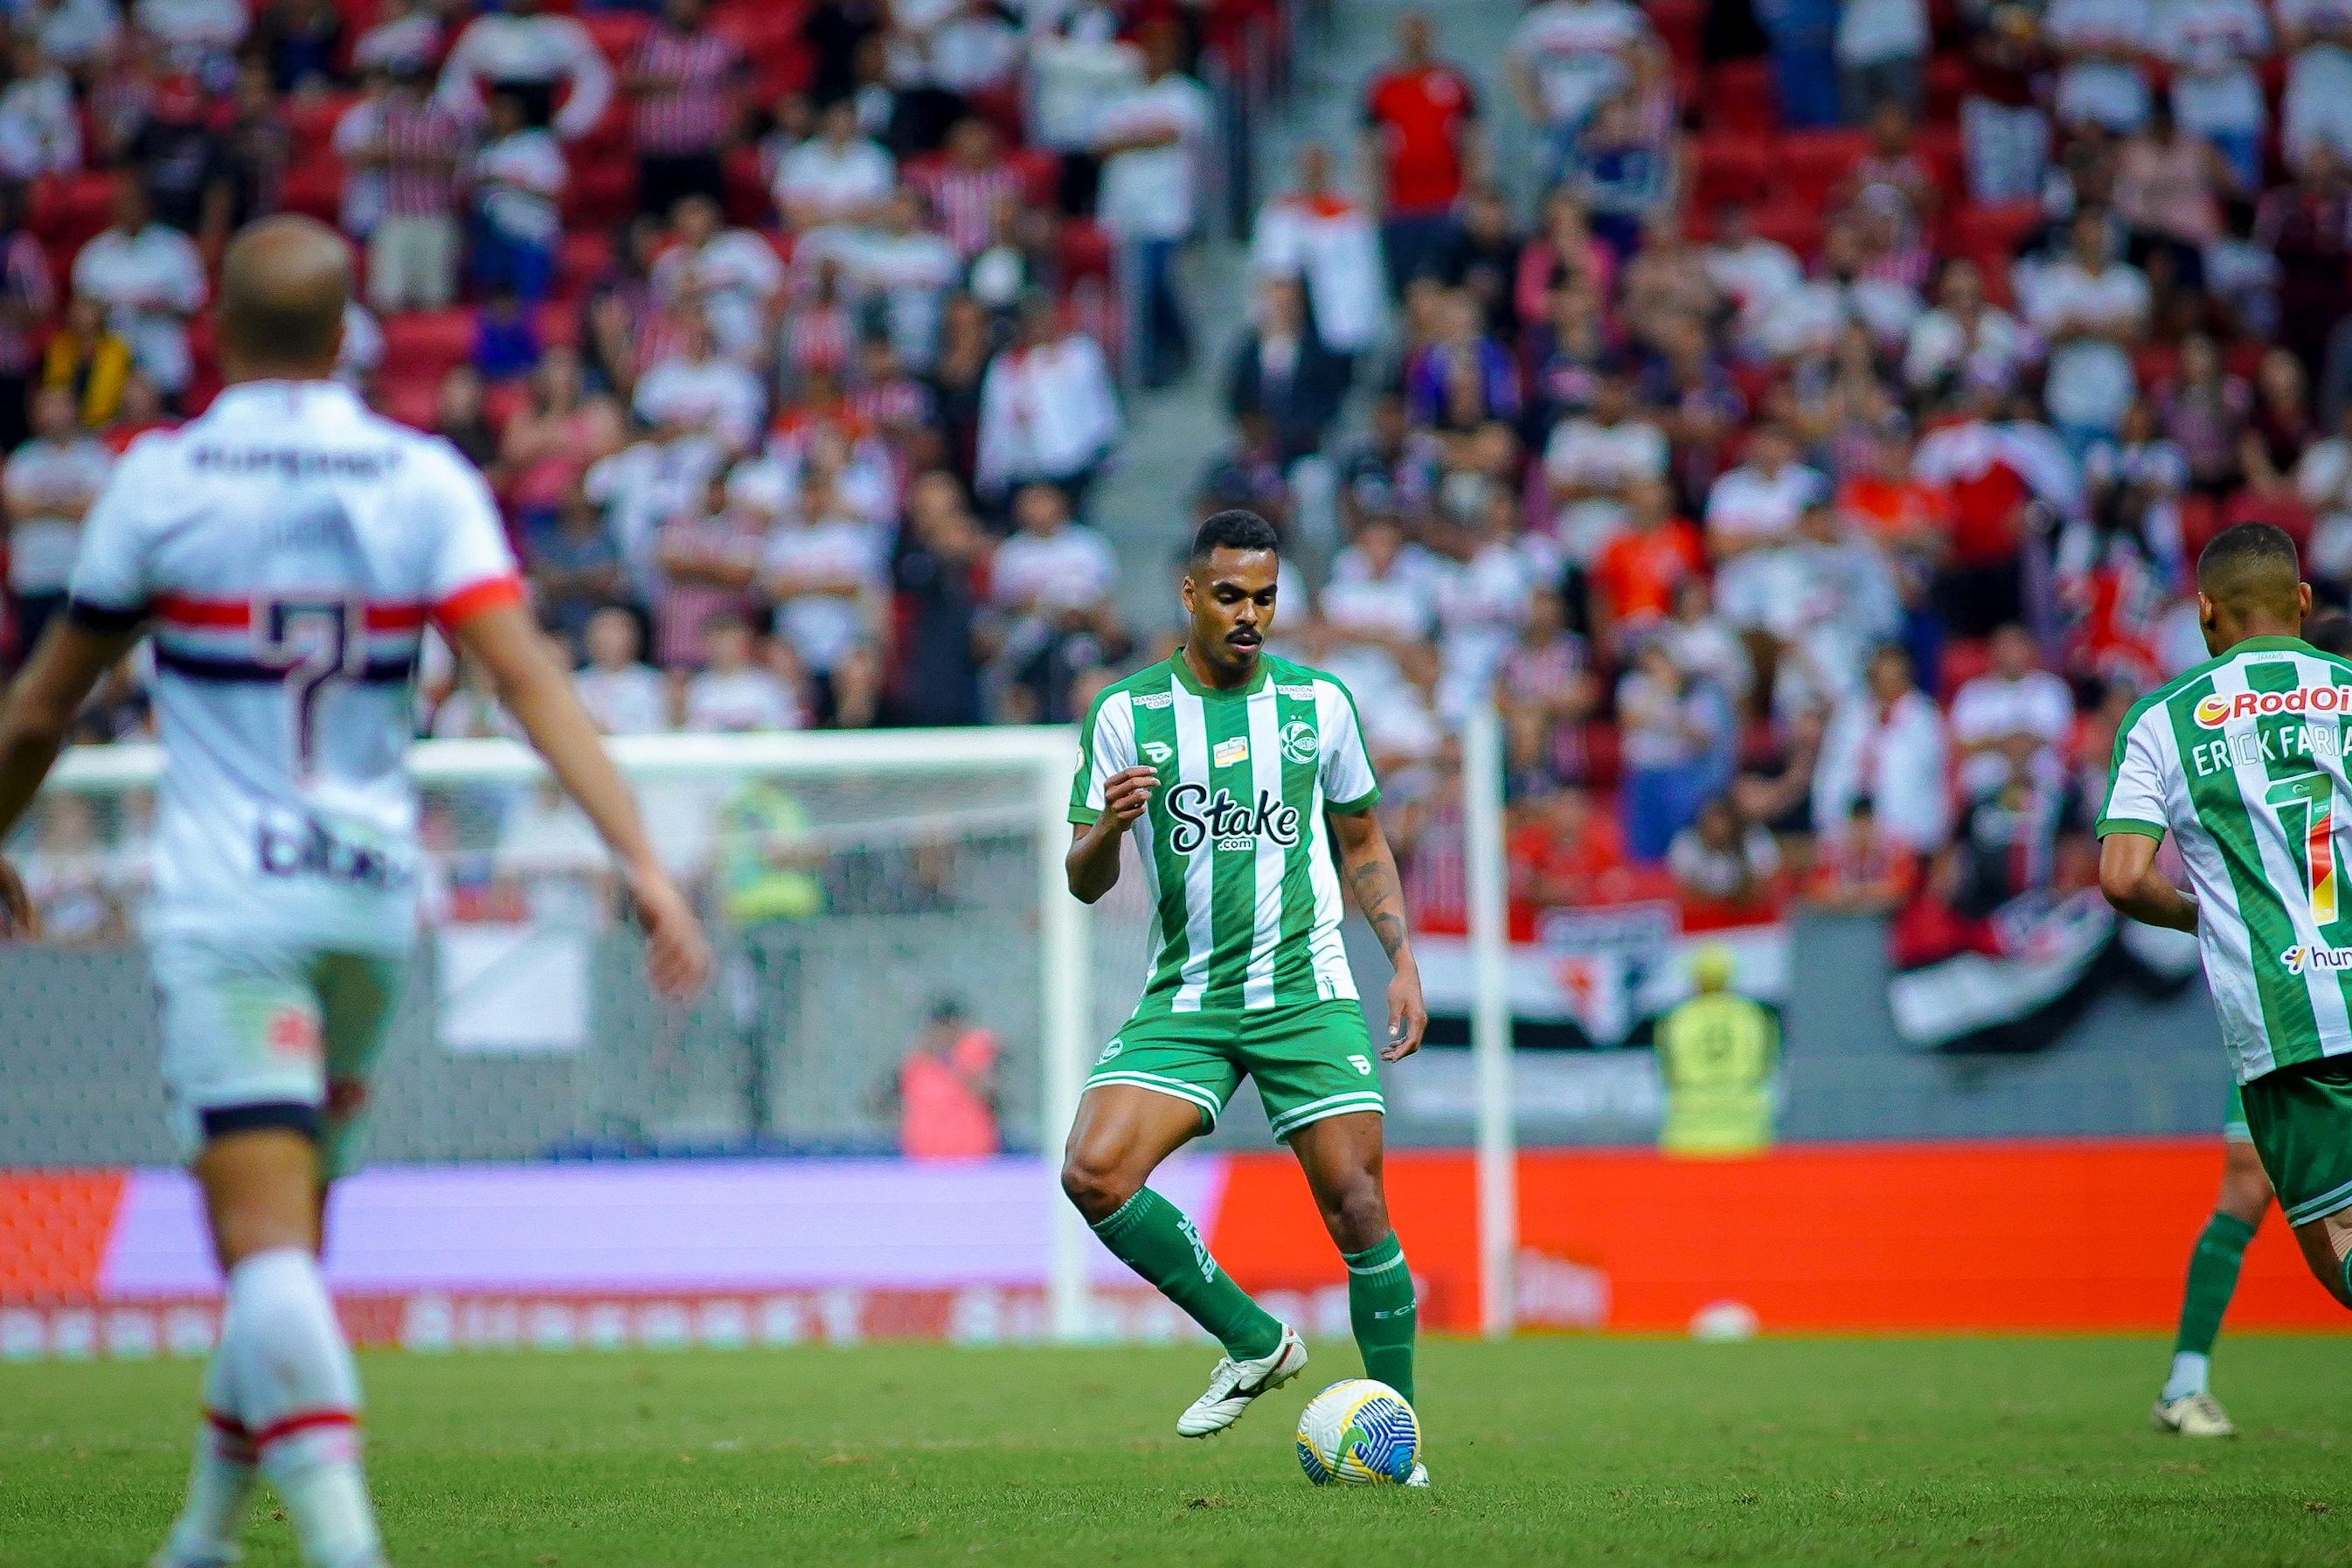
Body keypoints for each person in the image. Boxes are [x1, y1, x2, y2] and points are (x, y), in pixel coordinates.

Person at [0, 215, 709, 1568]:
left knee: (260, 1249)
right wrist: (640, 859)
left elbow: (41, 708)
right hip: (373, 904)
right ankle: (201, 1538)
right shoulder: (420, 476)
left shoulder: (161, 477)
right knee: (293, 1244)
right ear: (344, 340)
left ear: (212, 330)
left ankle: (346, 1549)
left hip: (232, 910)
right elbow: (527, 680)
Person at [1061, 509, 1429, 1479]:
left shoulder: (1322, 705)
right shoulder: (1127, 714)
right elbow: (1084, 878)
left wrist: (1402, 960)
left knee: (1356, 1204)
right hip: (1187, 993)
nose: (1251, 613)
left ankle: (1397, 1444)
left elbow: (1360, 842)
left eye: (1266, 596)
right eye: (1231, 595)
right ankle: (1254, 1340)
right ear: (1189, 594)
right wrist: (1106, 828)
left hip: (1305, 989)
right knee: (1093, 1172)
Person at [2099, 524, 2352, 1433]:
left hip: (2289, 1022)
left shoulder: (2162, 719)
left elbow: (2125, 876)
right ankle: (2185, 1381)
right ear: (2305, 603)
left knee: (2335, 1254)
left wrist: (2206, 917)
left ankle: (2182, 1380)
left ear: (2203, 615)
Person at [1653, 944, 1780, 1155]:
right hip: (1746, 1127)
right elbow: (1765, 1068)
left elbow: (1669, 1073)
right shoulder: (1754, 1016)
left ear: (1694, 977)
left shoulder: (1676, 1018)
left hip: (1689, 1129)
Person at [882, 997, 1002, 1159]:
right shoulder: (916, 1062)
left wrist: (948, 1060)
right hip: (924, 1157)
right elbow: (883, 1100)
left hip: (973, 1157)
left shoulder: (977, 1052)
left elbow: (988, 1094)